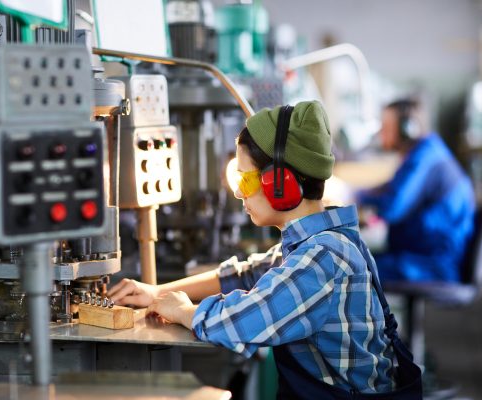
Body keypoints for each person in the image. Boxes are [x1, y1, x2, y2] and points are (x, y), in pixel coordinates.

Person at [109, 101, 418, 398]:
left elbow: (242, 322)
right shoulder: (320, 241)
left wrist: (184, 311)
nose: (239, 194)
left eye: (244, 180)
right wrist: (156, 292)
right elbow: (244, 275)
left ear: (279, 182)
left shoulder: (323, 258)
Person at [357, 98, 475, 283]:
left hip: (431, 264)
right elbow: (391, 188)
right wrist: (361, 193)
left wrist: (355, 196)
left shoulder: (424, 156)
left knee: (348, 267)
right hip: (422, 255)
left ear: (407, 128)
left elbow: (392, 207)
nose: (381, 132)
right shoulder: (424, 152)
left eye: (386, 126)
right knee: (354, 257)